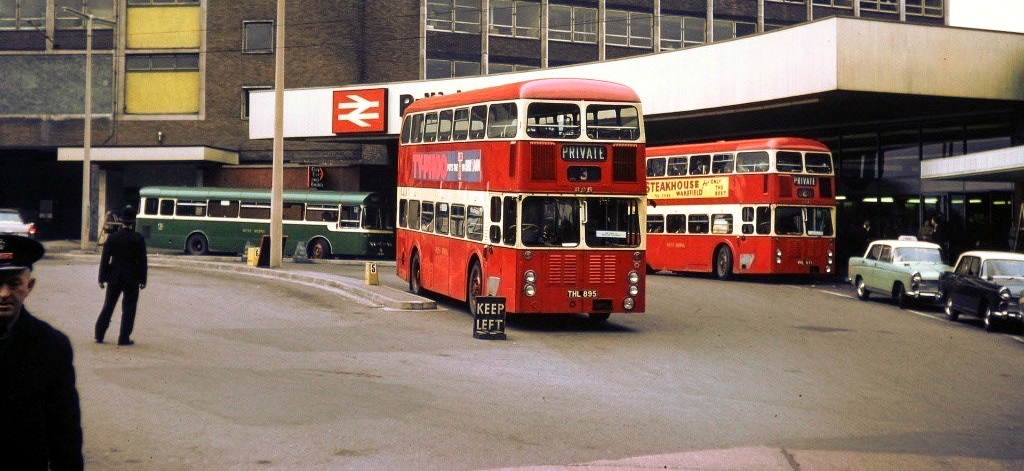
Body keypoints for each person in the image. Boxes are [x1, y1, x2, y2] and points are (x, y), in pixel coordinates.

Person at [0, 235, 84, 469]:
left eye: (14, 283)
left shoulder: (52, 345)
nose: (4, 293)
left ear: (29, 286)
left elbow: (65, 431)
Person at [95, 205, 148, 346]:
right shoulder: (138, 239)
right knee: (129, 309)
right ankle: (123, 338)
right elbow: (143, 261)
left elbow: (105, 259)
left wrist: (101, 278)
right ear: (133, 221)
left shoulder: (112, 238)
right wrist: (143, 280)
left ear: (120, 220)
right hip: (132, 278)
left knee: (108, 306)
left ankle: (99, 334)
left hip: (114, 277)